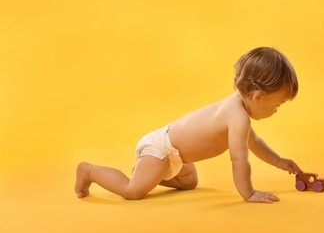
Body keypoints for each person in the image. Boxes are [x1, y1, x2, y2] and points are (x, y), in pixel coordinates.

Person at [75, 47, 303, 203]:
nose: (276, 111)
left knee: (189, 183)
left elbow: (256, 143)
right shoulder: (237, 116)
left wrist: (279, 161)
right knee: (132, 192)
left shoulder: (238, 111)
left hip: (177, 158)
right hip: (161, 147)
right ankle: (89, 171)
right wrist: (249, 193)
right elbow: (239, 159)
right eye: (278, 105)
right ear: (259, 97)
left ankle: (148, 172)